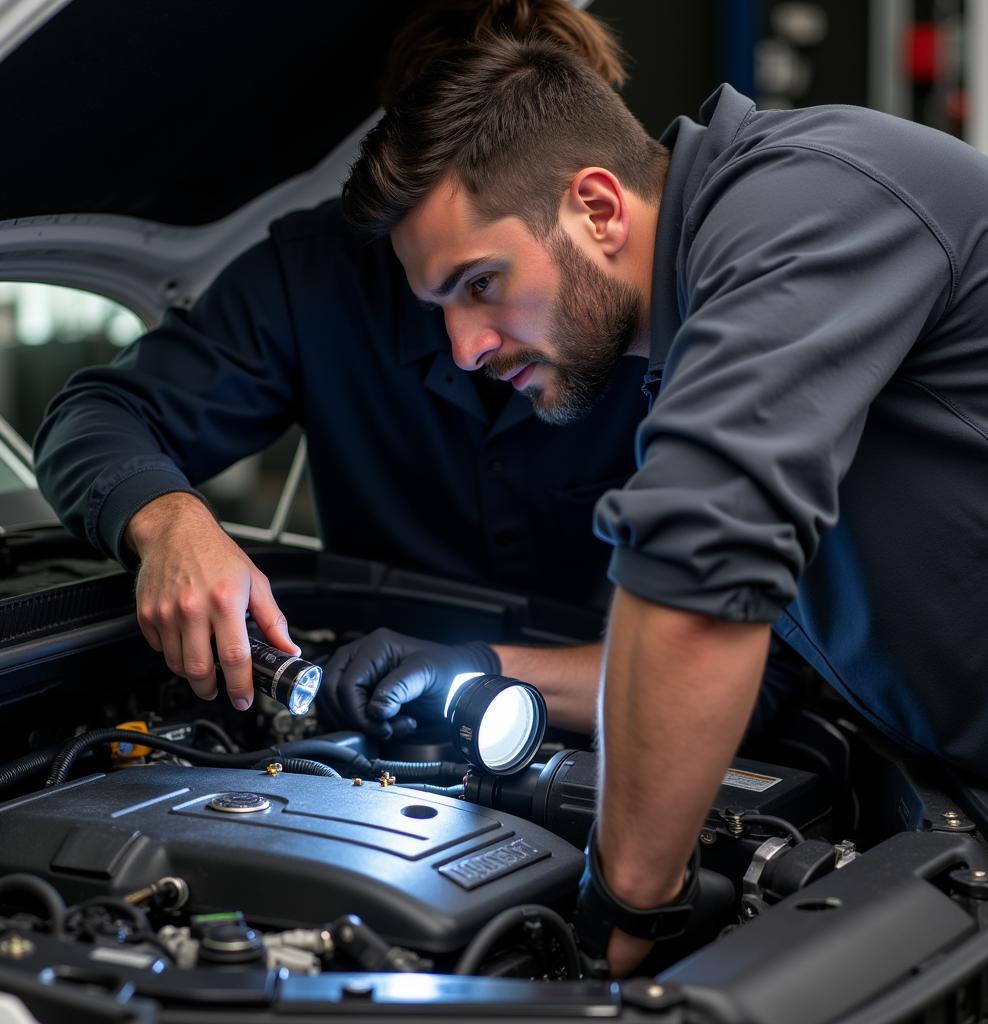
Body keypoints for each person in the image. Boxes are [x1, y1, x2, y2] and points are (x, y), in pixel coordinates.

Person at [338, 35, 988, 975]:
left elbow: (698, 594)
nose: (463, 348)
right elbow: (762, 669)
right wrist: (486, 667)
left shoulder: (805, 204)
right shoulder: (698, 326)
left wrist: (623, 912)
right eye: (442, 308)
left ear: (595, 207)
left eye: (480, 284)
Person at [31, 1, 646, 727]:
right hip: (371, 722)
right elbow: (94, 415)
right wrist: (168, 521)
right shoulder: (315, 277)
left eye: (484, 279)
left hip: (618, 721)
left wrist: (488, 670)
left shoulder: (676, 305)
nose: (466, 346)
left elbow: (745, 672)